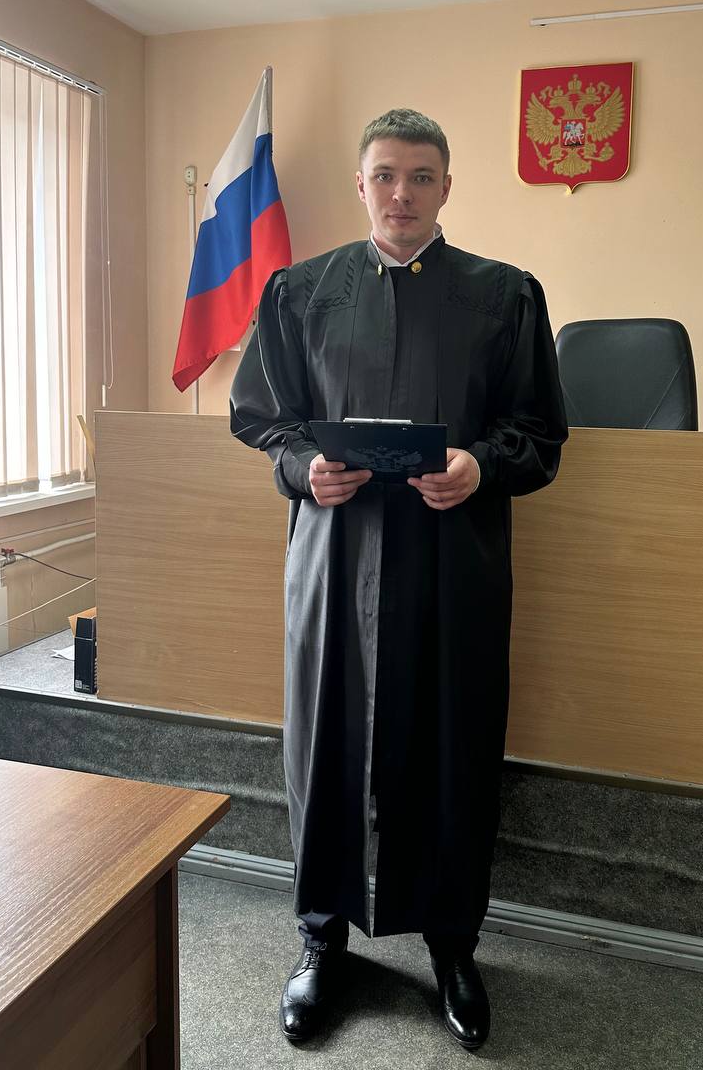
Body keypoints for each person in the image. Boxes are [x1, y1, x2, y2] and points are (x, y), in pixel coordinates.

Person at [229, 108, 567, 1050]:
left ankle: (453, 947)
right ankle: (321, 941)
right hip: (335, 560)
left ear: (447, 186)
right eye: (385, 175)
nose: (402, 194)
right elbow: (262, 418)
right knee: (326, 743)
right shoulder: (300, 293)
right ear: (361, 184)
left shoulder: (504, 297)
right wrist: (303, 468)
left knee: (455, 745)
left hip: (452, 564)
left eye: (421, 176)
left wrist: (480, 466)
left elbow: (539, 432)